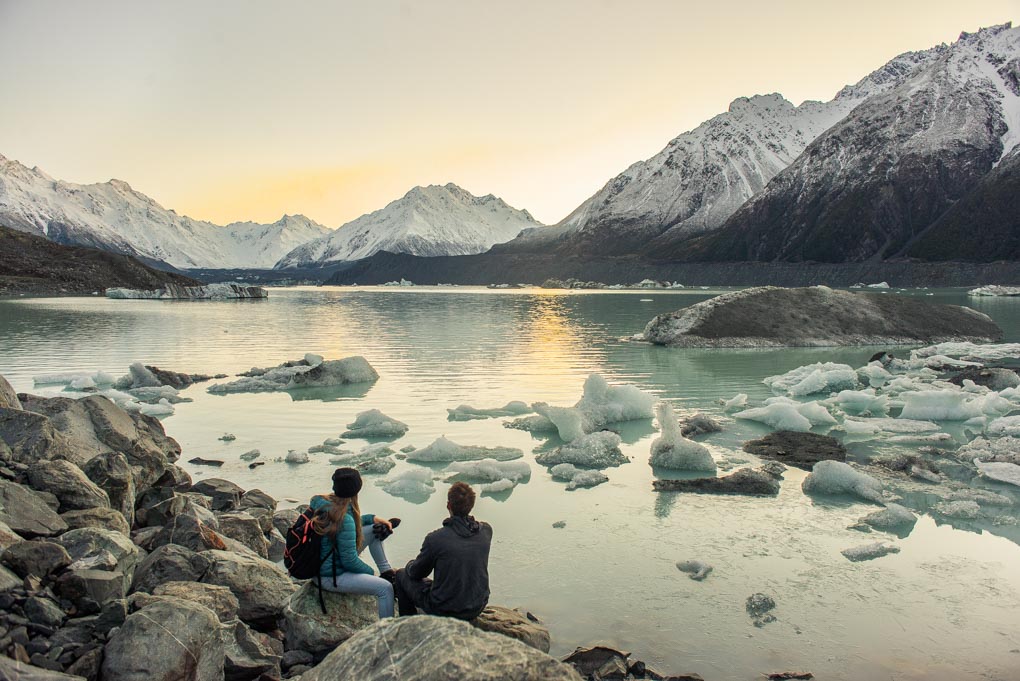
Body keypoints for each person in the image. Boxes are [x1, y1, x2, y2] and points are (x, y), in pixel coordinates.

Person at [394, 481, 492, 620]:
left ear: (448, 505)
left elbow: (417, 573)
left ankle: (409, 626)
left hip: (445, 609)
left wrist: (410, 565)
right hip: (477, 605)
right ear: (472, 505)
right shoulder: (486, 531)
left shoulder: (436, 539)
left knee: (400, 575)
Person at [309, 467, 397, 618]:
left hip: (322, 565)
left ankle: (386, 571)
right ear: (357, 489)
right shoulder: (345, 519)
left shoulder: (321, 502)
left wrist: (372, 518)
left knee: (374, 529)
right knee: (385, 589)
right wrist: (371, 574)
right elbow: (349, 561)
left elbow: (343, 526)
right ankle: (387, 634)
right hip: (329, 577)